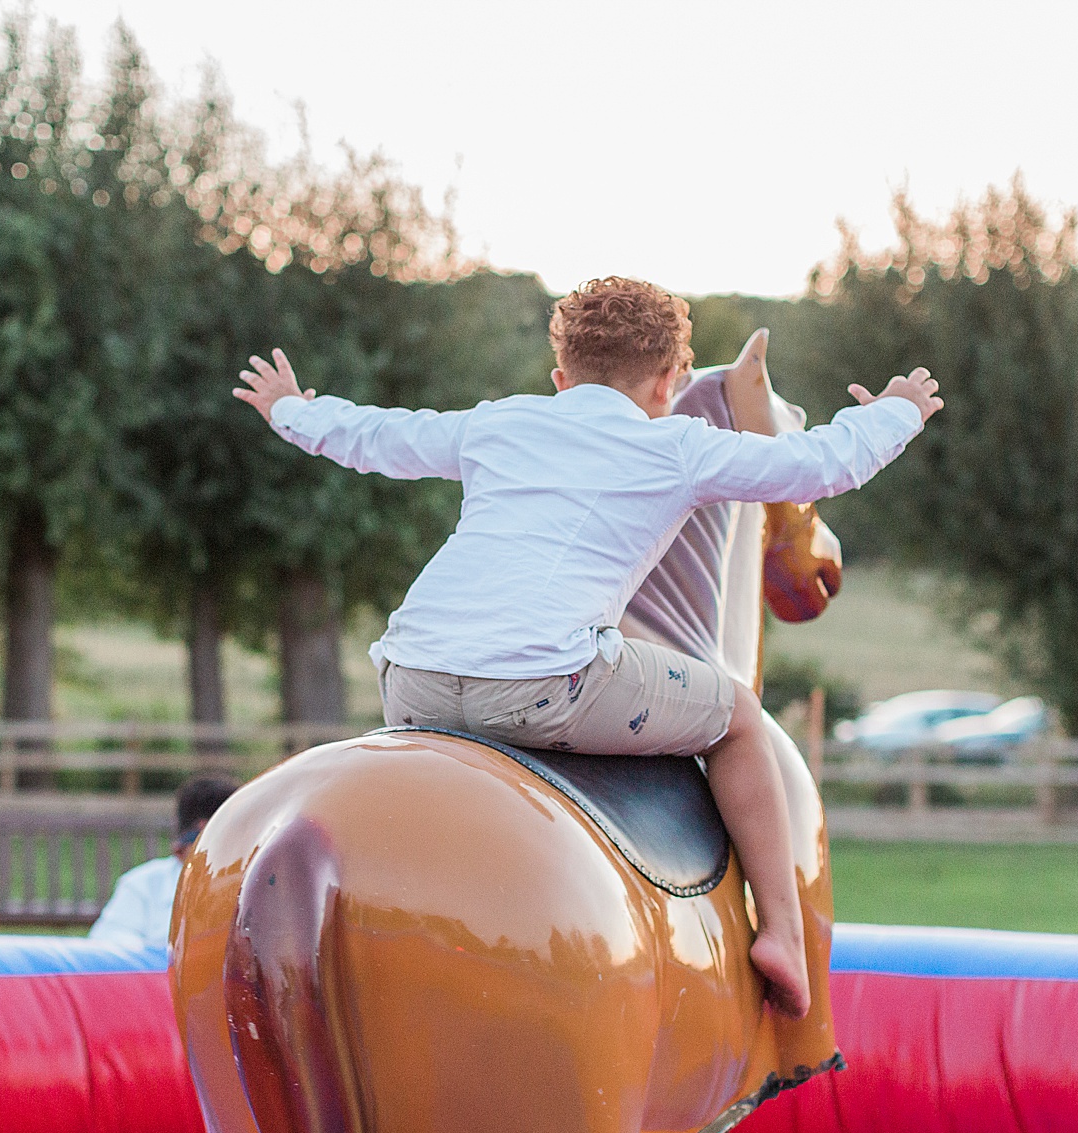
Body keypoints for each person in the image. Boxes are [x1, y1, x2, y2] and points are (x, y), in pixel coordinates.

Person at [234, 277, 942, 1018]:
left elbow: (377, 437)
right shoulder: (676, 444)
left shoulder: (500, 423)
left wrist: (290, 408)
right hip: (540, 680)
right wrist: (897, 412)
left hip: (411, 678)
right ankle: (784, 936)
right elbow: (813, 464)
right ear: (670, 382)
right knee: (736, 715)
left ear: (561, 379)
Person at [89, 775, 239, 953]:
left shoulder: (255, 889)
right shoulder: (144, 885)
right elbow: (108, 944)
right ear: (180, 849)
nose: (215, 858)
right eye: (203, 845)